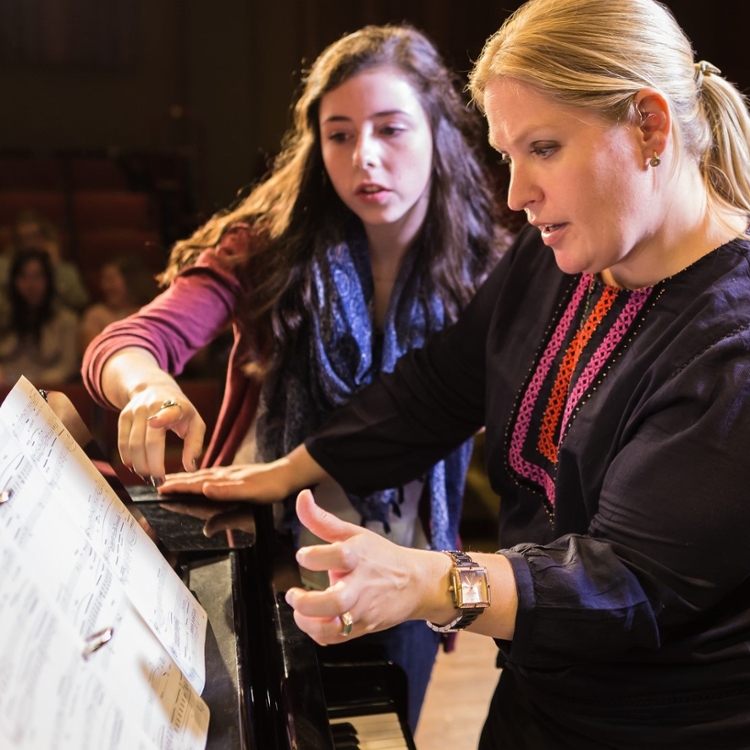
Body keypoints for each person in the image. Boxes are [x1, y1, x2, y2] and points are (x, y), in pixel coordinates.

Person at [155, 0, 750, 747]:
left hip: (661, 723)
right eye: (508, 156)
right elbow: (442, 385)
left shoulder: (732, 342)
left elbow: (625, 584)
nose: (516, 193)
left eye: (544, 148)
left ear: (651, 127)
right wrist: (287, 471)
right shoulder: (564, 253)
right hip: (540, 693)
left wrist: (428, 581)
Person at [82, 24, 504, 730]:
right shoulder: (269, 243)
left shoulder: (489, 267)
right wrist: (147, 385)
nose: (365, 157)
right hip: (253, 547)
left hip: (399, 561)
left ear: (439, 132)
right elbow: (132, 340)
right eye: (339, 134)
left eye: (391, 129)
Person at [0, 248, 80, 385]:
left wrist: (34, 384)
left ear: (48, 280)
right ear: (14, 281)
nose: (31, 284)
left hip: (46, 391)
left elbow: (68, 367)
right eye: (23, 277)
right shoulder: (3, 316)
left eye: (37, 276)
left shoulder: (66, 320)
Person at [0, 210, 90, 312]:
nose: (29, 244)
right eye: (23, 239)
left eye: (34, 237)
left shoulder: (64, 269)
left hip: (52, 320)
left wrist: (56, 267)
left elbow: (80, 301)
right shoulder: (4, 266)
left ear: (46, 239)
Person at [79, 255, 157, 351]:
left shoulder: (151, 313)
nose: (105, 286)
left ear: (130, 281)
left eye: (110, 280)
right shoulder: (96, 315)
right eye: (104, 280)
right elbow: (92, 352)